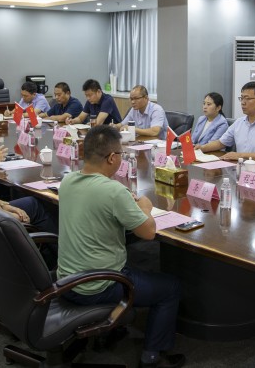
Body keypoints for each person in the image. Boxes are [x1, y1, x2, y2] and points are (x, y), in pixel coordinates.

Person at [58, 126, 184, 368]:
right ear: (112, 158)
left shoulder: (68, 180)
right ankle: (151, 356)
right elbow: (148, 233)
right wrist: (144, 207)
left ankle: (112, 329)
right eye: (121, 154)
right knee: (170, 287)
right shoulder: (113, 191)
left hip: (66, 280)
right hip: (99, 285)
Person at [199, 81, 255, 162]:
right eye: (241, 98)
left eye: (247, 98)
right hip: (240, 168)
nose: (242, 102)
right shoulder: (239, 122)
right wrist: (201, 148)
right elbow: (221, 143)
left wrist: (240, 155)